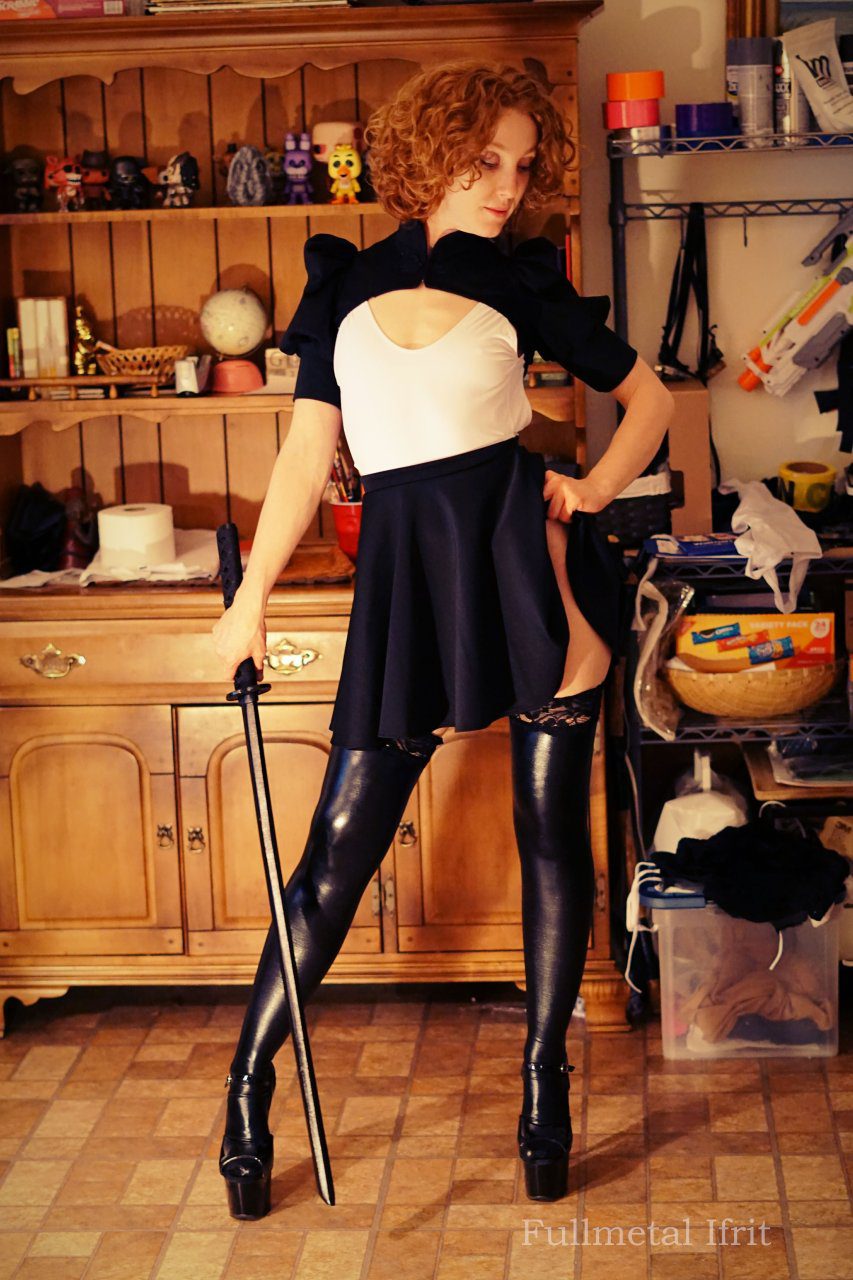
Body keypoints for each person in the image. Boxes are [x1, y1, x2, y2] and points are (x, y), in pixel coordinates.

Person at [211, 58, 675, 1219]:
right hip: (407, 585)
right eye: (484, 161)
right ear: (431, 156)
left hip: (529, 573)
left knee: (551, 838)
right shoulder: (343, 285)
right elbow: (303, 458)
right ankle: (248, 1084)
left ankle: (544, 1084)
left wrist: (592, 489)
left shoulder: (523, 281)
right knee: (333, 854)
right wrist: (249, 597)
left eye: (522, 165)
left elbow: (656, 401)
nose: (507, 185)